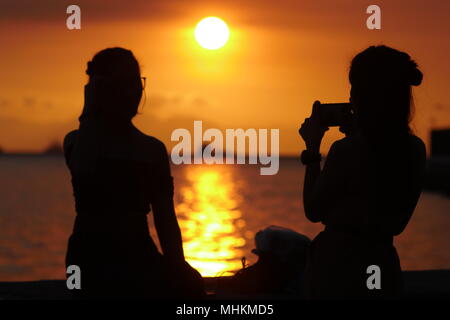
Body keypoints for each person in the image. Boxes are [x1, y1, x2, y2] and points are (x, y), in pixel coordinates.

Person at [63, 47, 204, 299]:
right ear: (101, 90)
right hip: (90, 260)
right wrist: (90, 108)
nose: (134, 92)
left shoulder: (151, 149)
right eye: (122, 84)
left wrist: (179, 267)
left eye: (136, 82)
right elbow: (84, 169)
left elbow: (165, 219)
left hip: (137, 254)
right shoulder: (76, 142)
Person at [298, 45, 427, 299]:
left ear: (362, 95)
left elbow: (313, 210)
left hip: (339, 268)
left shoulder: (346, 150)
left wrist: (313, 148)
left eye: (353, 89)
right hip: (383, 263)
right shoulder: (415, 149)